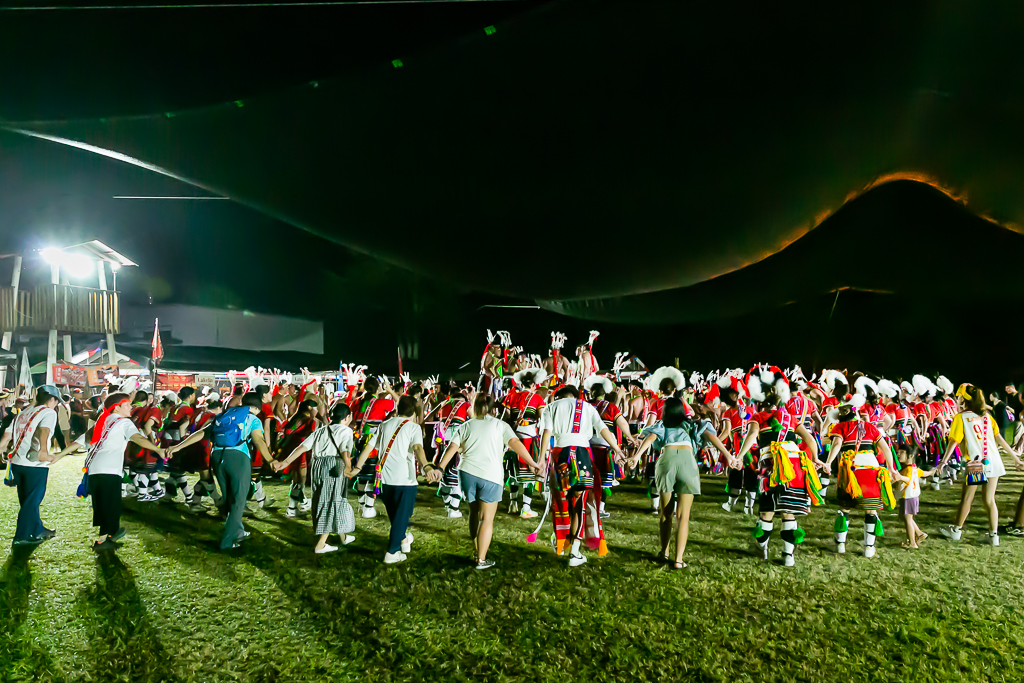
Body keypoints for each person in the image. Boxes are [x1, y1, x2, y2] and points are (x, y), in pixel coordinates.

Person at [437, 394, 540, 569]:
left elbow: (452, 447)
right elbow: (515, 443)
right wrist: (532, 462)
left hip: (467, 473)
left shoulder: (465, 426)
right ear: (494, 410)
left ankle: (477, 551)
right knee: (486, 519)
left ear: (474, 407)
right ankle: (481, 559)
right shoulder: (501, 425)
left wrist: (440, 468)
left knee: (474, 513)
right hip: (490, 474)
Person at [632, 397, 737, 568]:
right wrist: (729, 455)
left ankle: (664, 553)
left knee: (665, 514)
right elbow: (711, 436)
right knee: (683, 517)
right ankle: (678, 560)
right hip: (688, 461)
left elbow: (650, 437)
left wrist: (636, 456)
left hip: (666, 459)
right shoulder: (693, 424)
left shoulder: (661, 424)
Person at [171, 392, 278, 550]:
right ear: (256, 408)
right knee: (238, 502)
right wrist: (270, 460)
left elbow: (202, 433)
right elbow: (258, 440)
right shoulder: (252, 419)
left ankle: (238, 531)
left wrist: (177, 447)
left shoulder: (225, 415)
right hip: (238, 458)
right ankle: (227, 542)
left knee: (229, 497)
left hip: (217, 457)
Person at [536, 385, 626, 567]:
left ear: (558, 397)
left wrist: (541, 459)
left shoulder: (551, 407)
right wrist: (617, 449)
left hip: (561, 455)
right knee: (579, 504)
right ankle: (574, 552)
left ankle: (561, 538)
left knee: (562, 500)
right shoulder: (587, 407)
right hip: (583, 457)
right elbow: (603, 430)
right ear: (576, 396)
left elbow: (546, 433)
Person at [348, 396, 439, 564]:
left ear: (398, 408)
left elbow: (369, 447)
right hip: (405, 479)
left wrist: (357, 468)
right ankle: (392, 552)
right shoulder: (414, 428)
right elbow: (418, 447)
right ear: (413, 412)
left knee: (396, 516)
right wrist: (426, 466)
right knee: (402, 516)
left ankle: (403, 540)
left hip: (383, 480)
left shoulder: (384, 425)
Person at [938, 384, 1023, 546]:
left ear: (963, 399)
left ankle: (956, 531)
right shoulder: (987, 416)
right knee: (989, 500)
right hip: (994, 461)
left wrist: (943, 461)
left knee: (967, 498)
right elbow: (1000, 439)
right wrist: (1015, 458)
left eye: (959, 397)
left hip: (976, 463)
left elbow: (954, 441)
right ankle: (993, 536)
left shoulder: (961, 417)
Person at [82, 393, 166, 551]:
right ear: (117, 407)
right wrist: (157, 449)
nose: (131, 407)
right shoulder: (123, 423)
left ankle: (104, 538)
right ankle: (107, 537)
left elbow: (84, 439)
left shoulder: (103, 420)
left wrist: (59, 454)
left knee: (102, 506)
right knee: (111, 505)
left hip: (94, 470)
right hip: (110, 471)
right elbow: (137, 438)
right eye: (127, 404)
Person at [274, 403, 357, 554]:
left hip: (317, 466)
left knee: (323, 500)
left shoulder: (321, 430)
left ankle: (343, 536)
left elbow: (302, 447)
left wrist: (284, 462)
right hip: (334, 466)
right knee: (332, 501)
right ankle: (321, 544)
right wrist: (348, 467)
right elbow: (345, 451)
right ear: (347, 418)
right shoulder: (346, 431)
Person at [0, 386, 70, 545]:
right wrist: (43, 451)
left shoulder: (23, 413)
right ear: (52, 399)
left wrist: (0, 450)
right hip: (35, 465)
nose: (56, 406)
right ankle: (22, 536)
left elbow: (6, 436)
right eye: (56, 402)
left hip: (17, 463)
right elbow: (43, 431)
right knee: (32, 501)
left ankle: (37, 529)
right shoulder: (49, 412)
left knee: (27, 500)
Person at [895, 446, 933, 549]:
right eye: (898, 452)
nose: (898, 454)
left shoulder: (908, 469)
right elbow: (923, 473)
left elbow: (908, 479)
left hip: (908, 497)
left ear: (911, 456)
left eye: (902, 452)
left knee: (908, 520)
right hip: (913, 497)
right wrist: (931, 472)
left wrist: (899, 477)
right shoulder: (914, 468)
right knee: (907, 518)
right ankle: (919, 534)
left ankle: (912, 543)